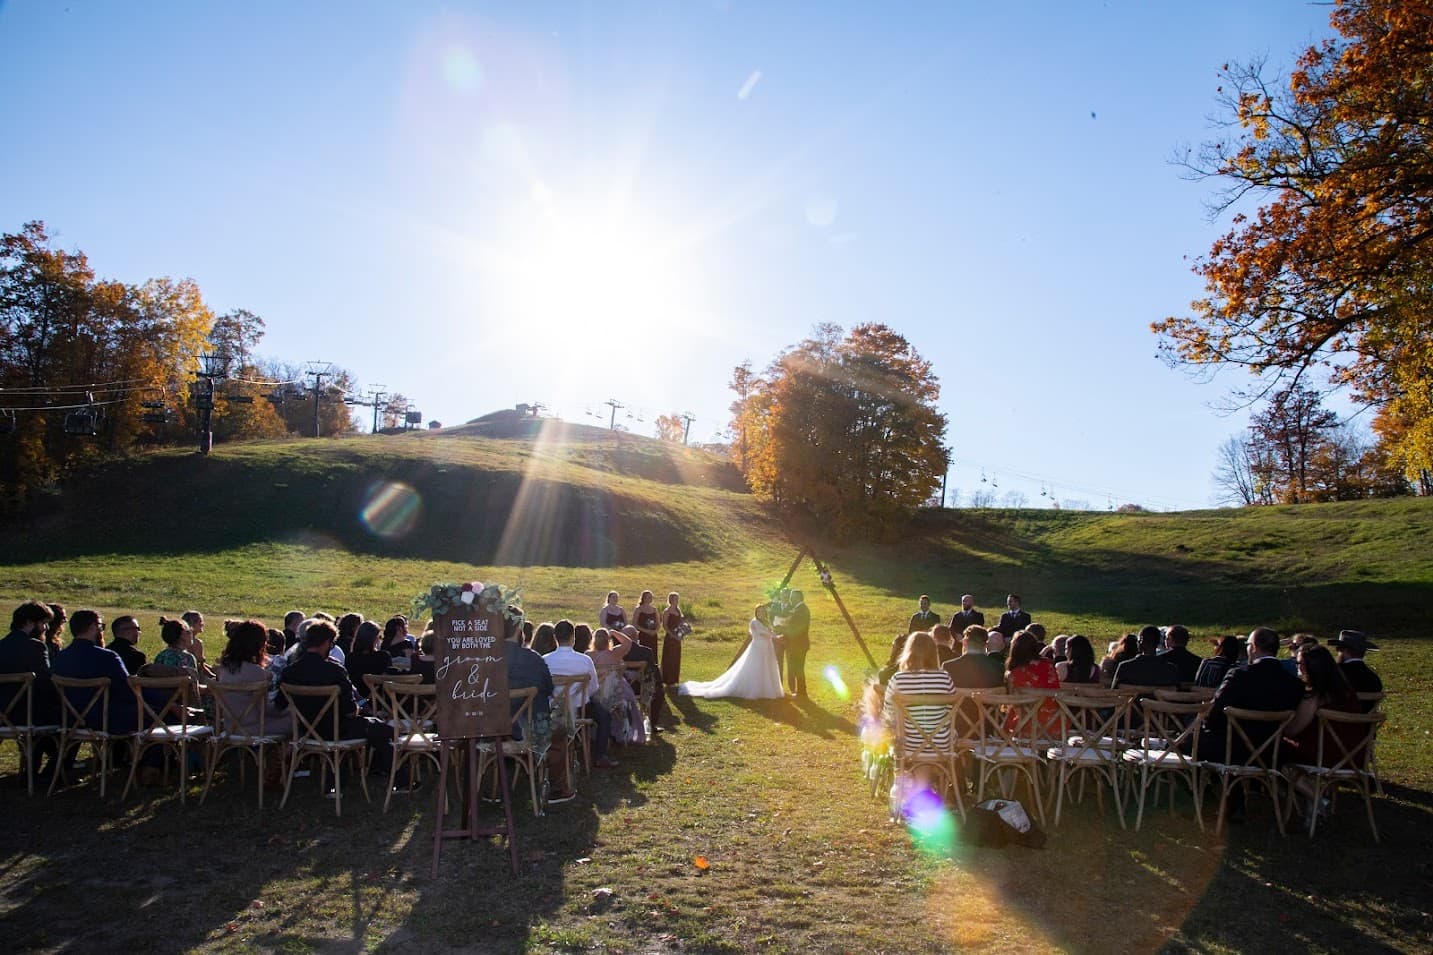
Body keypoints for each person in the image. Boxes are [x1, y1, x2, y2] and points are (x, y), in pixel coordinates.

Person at [278, 620, 403, 788]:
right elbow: (351, 711)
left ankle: (336, 783)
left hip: (305, 731)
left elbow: (280, 705)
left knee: (376, 727)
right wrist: (361, 707)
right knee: (384, 730)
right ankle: (402, 781)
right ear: (327, 643)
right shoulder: (335, 670)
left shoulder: (289, 672)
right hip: (338, 730)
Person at [1198, 627, 1304, 768]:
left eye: (1248, 645)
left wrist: (1207, 728)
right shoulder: (1294, 684)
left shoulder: (1239, 675)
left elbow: (1213, 715)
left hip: (1231, 749)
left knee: (1186, 745)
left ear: (1253, 647)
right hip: (1271, 753)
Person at [882, 631, 957, 791]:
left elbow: (889, 713)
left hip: (910, 744)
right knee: (942, 733)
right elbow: (950, 712)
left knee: (904, 736)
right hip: (941, 744)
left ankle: (919, 788)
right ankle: (927, 786)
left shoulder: (899, 679)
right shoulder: (944, 678)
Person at [543, 619, 618, 769]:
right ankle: (601, 755)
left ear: (555, 638)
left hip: (553, 709)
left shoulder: (545, 660)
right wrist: (576, 695)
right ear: (573, 638)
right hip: (580, 708)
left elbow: (543, 689)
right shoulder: (584, 660)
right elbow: (593, 687)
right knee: (604, 716)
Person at [52, 609, 139, 734]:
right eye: (100, 626)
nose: (101, 630)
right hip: (104, 720)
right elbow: (128, 691)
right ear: (93, 626)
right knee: (162, 715)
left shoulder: (60, 657)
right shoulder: (108, 657)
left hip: (68, 719)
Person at [0, 602, 61, 774]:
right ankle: (53, 773)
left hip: (3, 712)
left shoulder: (1, 646)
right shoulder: (35, 647)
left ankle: (31, 769)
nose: (45, 628)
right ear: (29, 622)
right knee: (68, 720)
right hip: (25, 714)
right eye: (43, 623)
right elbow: (46, 684)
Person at [678, 603, 784, 700]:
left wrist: (775, 635)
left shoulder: (765, 621)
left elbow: (769, 632)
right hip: (758, 648)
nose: (761, 613)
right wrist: (775, 636)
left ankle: (766, 689)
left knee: (767, 668)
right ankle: (756, 690)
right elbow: (763, 633)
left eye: (762, 611)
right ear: (756, 612)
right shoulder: (754, 622)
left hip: (767, 647)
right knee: (756, 668)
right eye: (759, 611)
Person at [215, 619, 286, 738]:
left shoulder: (224, 669)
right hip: (255, 728)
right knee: (296, 721)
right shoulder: (256, 672)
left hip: (230, 727)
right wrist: (288, 709)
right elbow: (266, 709)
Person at [1005, 630, 1061, 733]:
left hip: (1025, 724)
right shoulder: (1048, 665)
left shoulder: (1014, 674)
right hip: (1053, 722)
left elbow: (1015, 704)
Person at [1113, 626, 1181, 689]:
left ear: (1141, 641)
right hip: (1161, 701)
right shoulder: (1171, 669)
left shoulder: (1125, 667)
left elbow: (1113, 692)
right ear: (1158, 642)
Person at [1329, 630, 1382, 706]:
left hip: (1337, 716)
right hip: (1365, 716)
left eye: (1339, 649)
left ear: (1345, 650)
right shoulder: (1375, 679)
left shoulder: (1334, 674)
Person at [776, 589, 811, 699]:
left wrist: (782, 631)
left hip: (798, 645)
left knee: (798, 669)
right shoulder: (799, 609)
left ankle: (801, 693)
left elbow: (796, 629)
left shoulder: (801, 610)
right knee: (798, 669)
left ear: (799, 598)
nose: (790, 598)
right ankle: (801, 692)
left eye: (792, 596)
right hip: (798, 645)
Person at [345, 620, 391, 693]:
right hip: (379, 699)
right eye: (379, 636)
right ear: (374, 639)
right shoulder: (383, 657)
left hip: (357, 698)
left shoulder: (350, 658)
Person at [660, 592, 684, 686]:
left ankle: (674, 679)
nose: (676, 601)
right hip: (670, 638)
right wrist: (672, 635)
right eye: (675, 599)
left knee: (676, 657)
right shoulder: (667, 611)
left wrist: (682, 632)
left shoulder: (678, 611)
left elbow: (681, 623)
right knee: (669, 658)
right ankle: (667, 679)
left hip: (677, 637)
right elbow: (665, 626)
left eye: (677, 599)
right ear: (670, 600)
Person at [631, 590, 660, 658]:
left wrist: (654, 631)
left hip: (653, 635)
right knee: (644, 654)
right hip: (643, 635)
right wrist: (646, 631)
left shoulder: (654, 609)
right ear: (643, 598)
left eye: (650, 597)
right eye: (646, 597)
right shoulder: (638, 609)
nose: (648, 599)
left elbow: (658, 624)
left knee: (653, 653)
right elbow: (634, 624)